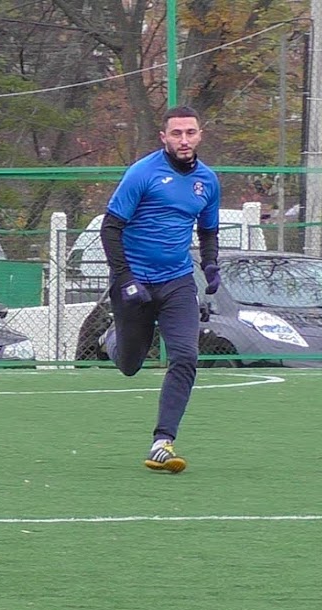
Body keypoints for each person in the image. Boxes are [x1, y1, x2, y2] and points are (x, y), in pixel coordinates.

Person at [99, 105, 221, 474]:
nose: (184, 140)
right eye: (176, 134)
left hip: (178, 282)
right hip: (134, 280)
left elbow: (208, 230)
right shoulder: (142, 174)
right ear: (164, 138)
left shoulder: (208, 181)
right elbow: (110, 229)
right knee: (130, 365)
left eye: (191, 132)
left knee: (185, 356)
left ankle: (162, 441)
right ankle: (112, 338)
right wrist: (126, 280)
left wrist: (211, 264)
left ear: (200, 135)